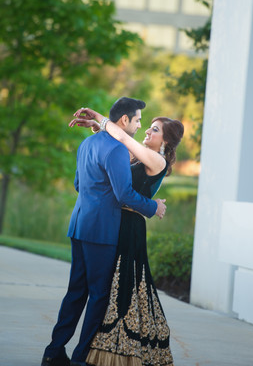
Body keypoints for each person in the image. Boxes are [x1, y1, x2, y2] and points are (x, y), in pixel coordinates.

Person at [41, 97, 167, 366]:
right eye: (138, 120)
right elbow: (123, 194)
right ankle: (79, 358)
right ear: (125, 120)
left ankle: (53, 351)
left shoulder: (87, 143)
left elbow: (78, 183)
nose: (139, 125)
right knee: (99, 295)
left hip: (79, 224)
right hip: (102, 231)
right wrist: (152, 206)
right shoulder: (118, 150)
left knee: (76, 292)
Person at [69, 106, 184, 366]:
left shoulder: (157, 161)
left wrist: (100, 118)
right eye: (148, 125)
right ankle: (93, 350)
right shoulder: (138, 156)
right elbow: (114, 155)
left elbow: (122, 138)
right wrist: (99, 129)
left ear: (165, 141)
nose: (147, 130)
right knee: (104, 290)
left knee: (121, 291)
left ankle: (112, 353)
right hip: (112, 223)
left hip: (129, 229)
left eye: (155, 129)